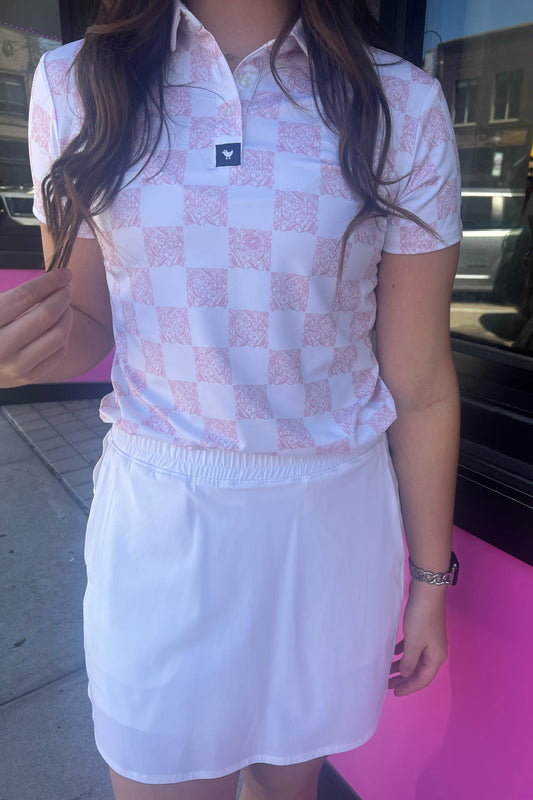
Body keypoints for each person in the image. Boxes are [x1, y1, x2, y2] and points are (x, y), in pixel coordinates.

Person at [0, 1, 462, 798]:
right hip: (163, 525)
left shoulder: (399, 102)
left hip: (329, 531)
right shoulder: (75, 83)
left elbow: (418, 384)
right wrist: (21, 356)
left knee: (286, 789)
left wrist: (429, 582)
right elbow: (87, 322)